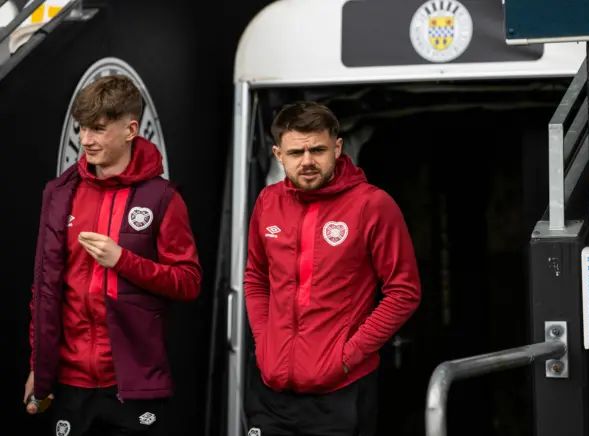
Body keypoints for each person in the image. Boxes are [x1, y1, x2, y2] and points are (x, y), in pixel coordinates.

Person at [23, 74, 202, 436]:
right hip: (70, 380)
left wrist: (124, 261)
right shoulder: (60, 193)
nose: (86, 140)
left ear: (131, 129)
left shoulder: (163, 198)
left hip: (132, 380)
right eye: (82, 129)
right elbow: (43, 290)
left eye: (99, 129)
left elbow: (189, 283)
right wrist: (37, 366)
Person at [243, 101, 421, 436]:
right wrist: (264, 341)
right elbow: (256, 278)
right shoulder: (267, 202)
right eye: (296, 152)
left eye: (318, 150)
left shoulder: (372, 205)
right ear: (279, 155)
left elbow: (404, 291)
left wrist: (348, 355)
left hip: (340, 392)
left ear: (337, 148)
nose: (307, 161)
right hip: (272, 391)